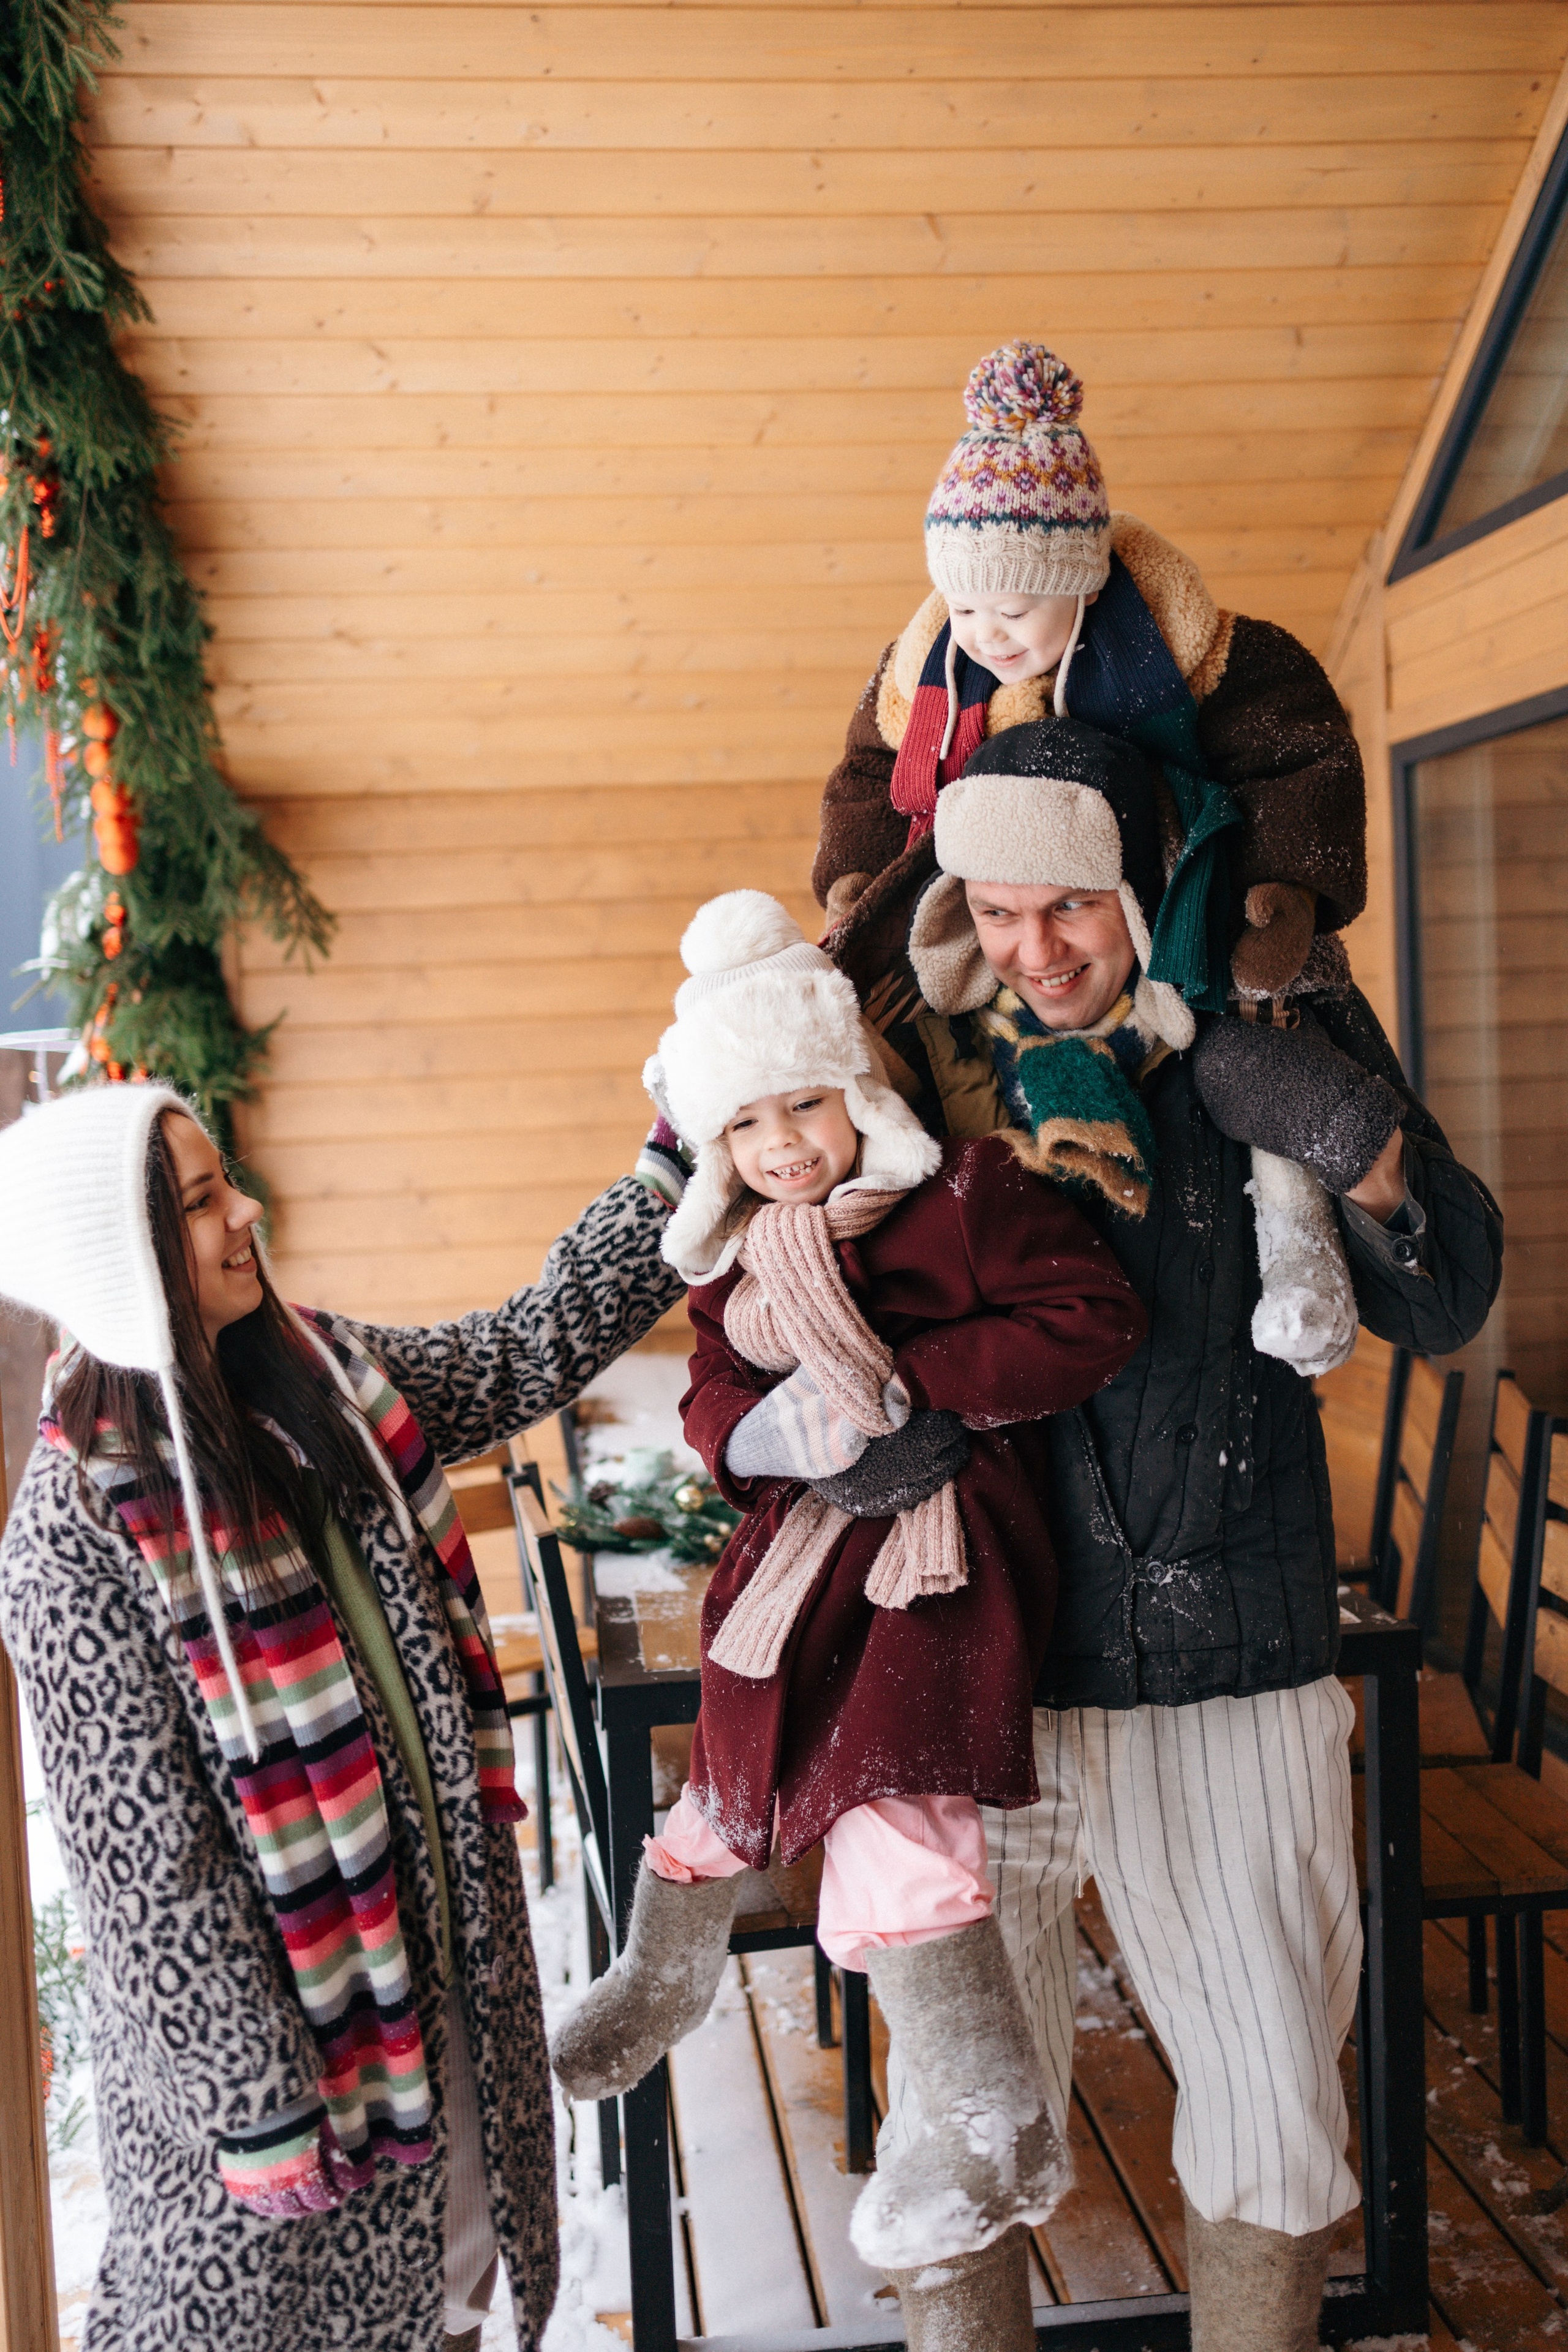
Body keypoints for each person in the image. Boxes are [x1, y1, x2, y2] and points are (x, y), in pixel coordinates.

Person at [820, 720, 1501, 2352]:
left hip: (1228, 1662)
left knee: (1270, 2106)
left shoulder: (1268, 1007)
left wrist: (1359, 1142)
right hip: (982, 1666)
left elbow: (1451, 1283)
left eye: (1070, 908)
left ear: (1144, 881)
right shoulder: (915, 1057)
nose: (1034, 952)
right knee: (962, 2125)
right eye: (997, 912)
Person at [0, 1082, 685, 2352]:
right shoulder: (74, 1534)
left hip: (443, 2002)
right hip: (294, 2086)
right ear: (119, 1252)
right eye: (202, 1203)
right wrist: (260, 2111)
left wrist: (676, 1169)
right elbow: (148, 1874)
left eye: (226, 1182)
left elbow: (519, 1348)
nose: (245, 1214)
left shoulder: (321, 1380)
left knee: (447, 2302)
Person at [548, 890, 1145, 2310]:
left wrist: (916, 1390)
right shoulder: (740, 1251)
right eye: (744, 1127)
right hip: (798, 1561)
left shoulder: (961, 1196)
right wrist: (757, 1438)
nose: (779, 1147)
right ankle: (663, 1969)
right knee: (722, 1776)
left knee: (893, 1798)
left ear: (855, 1086)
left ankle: (984, 2110)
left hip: (933, 1558)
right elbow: (711, 1396)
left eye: (802, 1107)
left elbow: (1091, 1317)